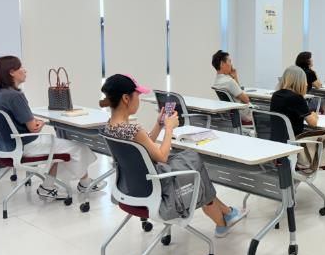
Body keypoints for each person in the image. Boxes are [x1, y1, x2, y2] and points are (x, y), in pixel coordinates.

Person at [101, 73, 245, 237]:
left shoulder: (110, 127)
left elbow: (144, 145)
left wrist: (159, 124)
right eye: (137, 95)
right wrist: (169, 128)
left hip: (134, 186)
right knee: (193, 160)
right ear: (126, 98)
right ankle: (222, 220)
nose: (138, 100)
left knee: (191, 163)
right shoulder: (134, 130)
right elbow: (161, 156)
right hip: (156, 186)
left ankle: (226, 214)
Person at [0, 56, 103, 200]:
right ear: (11, 72)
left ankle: (48, 187)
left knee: (58, 147)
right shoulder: (15, 96)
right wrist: (40, 123)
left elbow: (19, 120)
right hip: (24, 145)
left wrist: (33, 122)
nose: (25, 70)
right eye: (21, 67)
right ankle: (85, 183)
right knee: (77, 147)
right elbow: (33, 128)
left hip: (5, 146)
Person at [271, 66, 325, 171]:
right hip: (293, 141)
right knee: (323, 135)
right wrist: (314, 115)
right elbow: (313, 123)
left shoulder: (276, 95)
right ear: (300, 81)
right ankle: (311, 164)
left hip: (277, 139)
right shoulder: (297, 98)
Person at [211, 50, 252, 123]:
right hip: (245, 115)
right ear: (222, 64)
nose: (231, 65)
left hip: (233, 114)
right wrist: (235, 78)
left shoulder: (217, 81)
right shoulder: (229, 81)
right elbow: (246, 99)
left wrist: (234, 77)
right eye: (229, 61)